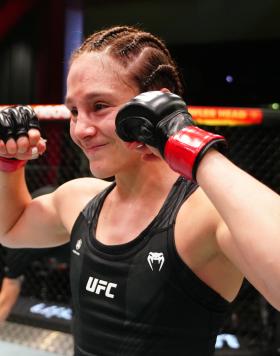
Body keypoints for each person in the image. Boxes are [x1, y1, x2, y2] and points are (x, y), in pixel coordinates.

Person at [0, 25, 279, 356]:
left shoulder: (202, 215)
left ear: (156, 103)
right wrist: (8, 166)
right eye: (74, 111)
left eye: (99, 105)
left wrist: (191, 147)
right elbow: (11, 229)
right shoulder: (81, 199)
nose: (81, 129)